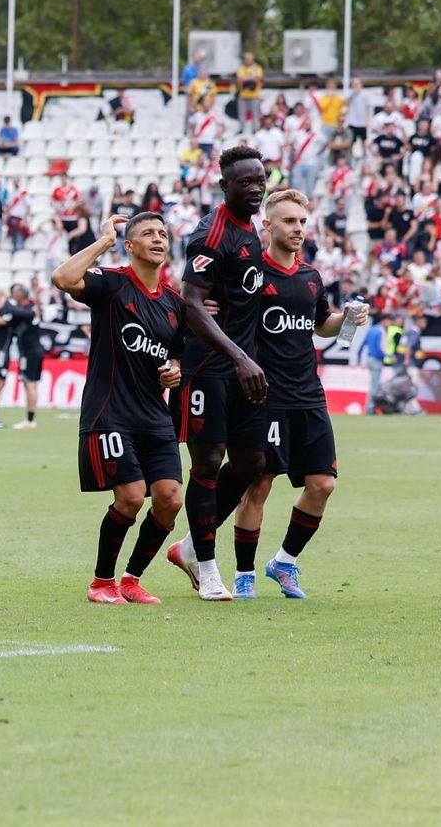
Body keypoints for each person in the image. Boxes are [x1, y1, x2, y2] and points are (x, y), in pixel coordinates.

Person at [224, 189, 364, 599]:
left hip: (308, 395)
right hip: (263, 396)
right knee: (260, 484)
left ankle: (283, 562)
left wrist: (347, 319)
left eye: (302, 222)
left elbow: (320, 325)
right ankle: (244, 574)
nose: (298, 228)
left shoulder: (310, 277)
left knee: (323, 483)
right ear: (267, 226)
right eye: (289, 221)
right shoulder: (252, 274)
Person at [51, 212, 189, 605]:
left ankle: (131, 580)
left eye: (162, 233)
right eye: (147, 233)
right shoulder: (111, 283)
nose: (158, 239)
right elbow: (62, 278)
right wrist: (103, 241)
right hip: (110, 413)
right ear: (129, 246)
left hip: (154, 417)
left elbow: (178, 356)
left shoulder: (174, 304)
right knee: (130, 497)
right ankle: (100, 582)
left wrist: (174, 372)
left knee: (170, 499)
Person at [165, 145, 270, 602]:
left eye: (260, 179)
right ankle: (208, 569)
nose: (255, 188)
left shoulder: (250, 233)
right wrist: (239, 357)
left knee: (252, 463)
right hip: (209, 368)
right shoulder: (212, 234)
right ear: (223, 185)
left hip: (243, 368)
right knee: (207, 465)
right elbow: (191, 301)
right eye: (245, 181)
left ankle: (190, 545)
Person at [0, 285, 43, 429]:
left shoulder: (23, 311)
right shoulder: (16, 311)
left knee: (27, 383)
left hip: (28, 352)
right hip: (2, 350)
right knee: (0, 380)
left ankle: (29, 420)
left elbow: (4, 315)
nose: (11, 297)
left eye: (13, 294)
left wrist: (2, 301)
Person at [236, 51, 264, 133]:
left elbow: (258, 79)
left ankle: (255, 130)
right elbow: (240, 80)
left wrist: (245, 78)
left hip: (254, 96)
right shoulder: (241, 68)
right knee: (241, 115)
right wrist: (251, 77)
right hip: (243, 96)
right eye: (246, 59)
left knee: (255, 115)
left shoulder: (258, 68)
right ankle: (241, 130)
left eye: (249, 58)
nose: (248, 60)